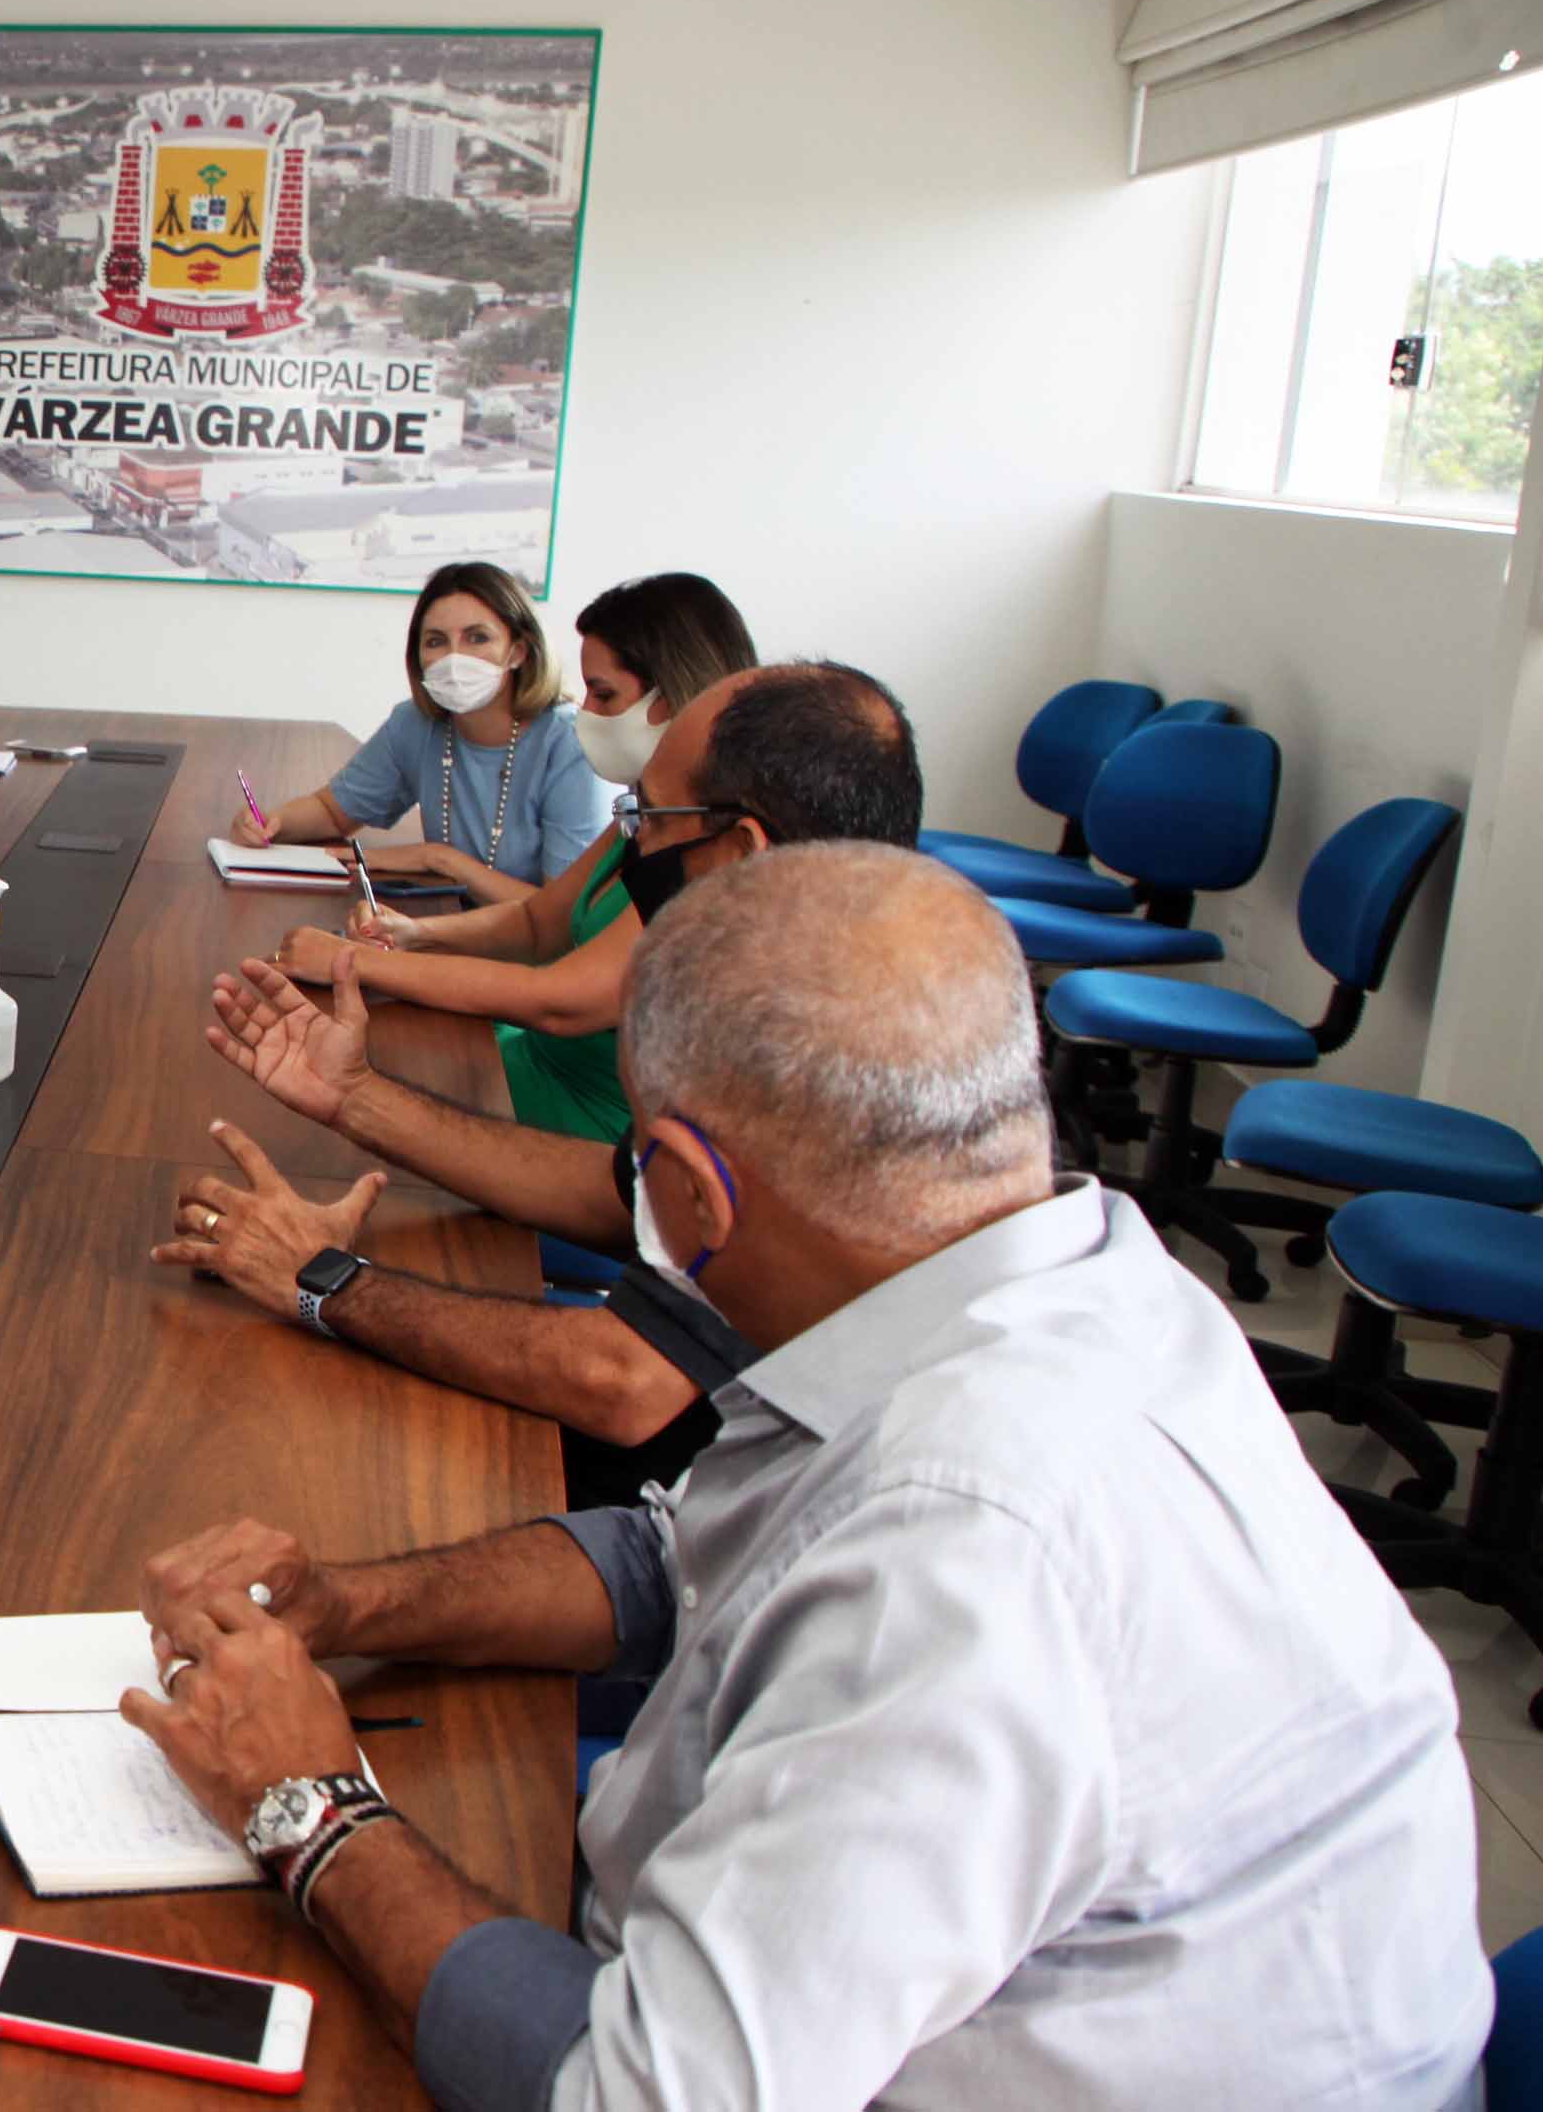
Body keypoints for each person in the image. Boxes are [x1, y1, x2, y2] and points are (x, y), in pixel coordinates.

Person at [118, 844, 1488, 2111]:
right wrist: (350, 1605)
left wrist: (309, 1806)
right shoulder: (1071, 1278)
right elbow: (680, 1554)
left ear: (689, 1193)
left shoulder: (963, 1541)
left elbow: (636, 2092)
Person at [161, 661, 921, 1508]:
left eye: (647, 819)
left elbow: (624, 1381)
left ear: (741, 854)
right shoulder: (800, 986)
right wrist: (354, 1097)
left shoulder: (842, 1068)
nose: (629, 844)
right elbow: (615, 1193)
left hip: (744, 1511)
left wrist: (320, 1278)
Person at [271, 574, 757, 1143]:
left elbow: (561, 1002)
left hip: (597, 1124)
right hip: (535, 1057)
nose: (587, 712)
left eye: (603, 696)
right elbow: (536, 923)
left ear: (675, 698)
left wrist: (352, 963)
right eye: (436, 641)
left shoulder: (711, 850)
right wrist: (417, 935)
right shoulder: (642, 813)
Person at [230, 561, 604, 902]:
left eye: (477, 638)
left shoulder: (571, 743)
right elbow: (333, 812)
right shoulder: (416, 723)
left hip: (537, 949)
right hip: (449, 924)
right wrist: (270, 823)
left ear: (518, 652)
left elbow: (565, 913)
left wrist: (438, 859)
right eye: (436, 641)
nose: (454, 657)